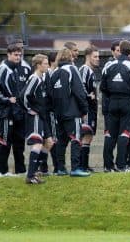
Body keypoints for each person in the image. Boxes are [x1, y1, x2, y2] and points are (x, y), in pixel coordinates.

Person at [100, 40, 130, 172]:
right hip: (127, 102)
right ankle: (121, 165)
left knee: (109, 134)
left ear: (120, 50)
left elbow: (102, 87)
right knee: (124, 133)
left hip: (112, 101)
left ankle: (108, 166)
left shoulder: (109, 65)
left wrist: (111, 95)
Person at [49, 47, 91, 177]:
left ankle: (60, 168)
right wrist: (84, 109)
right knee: (76, 138)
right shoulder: (72, 69)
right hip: (72, 112)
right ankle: (75, 168)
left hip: (58, 114)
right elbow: (79, 92)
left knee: (61, 141)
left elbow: (50, 94)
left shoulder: (55, 72)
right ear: (70, 57)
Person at [0, 43, 27, 176]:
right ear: (8, 55)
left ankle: (20, 170)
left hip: (19, 112)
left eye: (20, 55)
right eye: (15, 55)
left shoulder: (19, 68)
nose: (18, 57)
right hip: (7, 112)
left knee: (19, 142)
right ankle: (2, 171)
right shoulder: (3, 68)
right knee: (5, 141)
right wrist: (7, 100)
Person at [22, 54, 54, 184]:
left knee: (49, 142)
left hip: (43, 115)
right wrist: (29, 110)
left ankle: (35, 171)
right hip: (35, 116)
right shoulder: (34, 78)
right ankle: (30, 176)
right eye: (45, 64)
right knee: (37, 143)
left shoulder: (42, 79)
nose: (47, 66)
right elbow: (24, 95)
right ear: (38, 65)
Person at [78, 45, 100, 171]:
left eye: (98, 56)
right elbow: (79, 85)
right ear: (87, 57)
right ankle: (82, 165)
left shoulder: (91, 71)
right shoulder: (84, 69)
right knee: (85, 135)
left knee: (89, 136)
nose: (98, 59)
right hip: (86, 110)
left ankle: (84, 165)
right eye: (95, 57)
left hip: (92, 109)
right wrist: (88, 96)